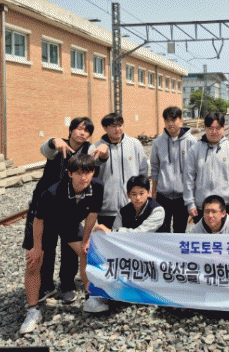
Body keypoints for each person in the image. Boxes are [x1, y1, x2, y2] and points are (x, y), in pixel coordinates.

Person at [20, 154, 102, 334]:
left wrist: (86, 239)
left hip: (68, 221)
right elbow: (39, 220)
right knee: (34, 261)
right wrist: (37, 247)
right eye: (78, 173)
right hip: (45, 223)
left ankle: (91, 297)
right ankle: (33, 310)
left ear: (93, 172)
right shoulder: (53, 192)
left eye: (87, 172)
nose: (83, 177)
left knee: (87, 252)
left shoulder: (97, 186)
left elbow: (92, 214)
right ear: (70, 173)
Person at [28, 117, 103, 305]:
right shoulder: (58, 145)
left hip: (71, 211)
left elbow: (102, 155)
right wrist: (54, 140)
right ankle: (46, 285)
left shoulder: (89, 150)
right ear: (70, 130)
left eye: (87, 131)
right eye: (79, 128)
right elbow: (45, 148)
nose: (82, 133)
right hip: (49, 206)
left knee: (72, 251)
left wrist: (104, 150)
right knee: (47, 248)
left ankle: (68, 285)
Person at [83, 174, 165, 313]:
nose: (137, 198)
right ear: (128, 195)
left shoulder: (157, 210)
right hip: (130, 254)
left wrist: (112, 232)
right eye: (133, 194)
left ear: (149, 193)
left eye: (141, 193)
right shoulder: (123, 212)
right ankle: (98, 295)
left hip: (153, 255)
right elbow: (114, 239)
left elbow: (141, 233)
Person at [184, 112, 229, 223]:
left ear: (223, 127)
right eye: (210, 128)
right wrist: (190, 203)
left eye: (218, 128)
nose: (214, 132)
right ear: (205, 128)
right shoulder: (195, 150)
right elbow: (188, 178)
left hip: (225, 206)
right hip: (201, 207)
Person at [94, 112, 149, 230]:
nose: (117, 129)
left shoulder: (134, 144)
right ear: (105, 128)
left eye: (120, 125)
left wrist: (142, 197)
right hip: (107, 209)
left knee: (131, 239)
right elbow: (92, 176)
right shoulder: (96, 148)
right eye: (113, 126)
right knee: (108, 239)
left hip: (132, 206)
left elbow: (143, 171)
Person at [150, 106, 198, 233]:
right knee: (161, 230)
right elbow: (154, 168)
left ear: (181, 120)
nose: (170, 123)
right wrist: (154, 192)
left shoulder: (192, 142)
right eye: (167, 120)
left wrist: (193, 197)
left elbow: (196, 172)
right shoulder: (158, 142)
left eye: (173, 120)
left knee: (180, 230)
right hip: (162, 195)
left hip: (183, 196)